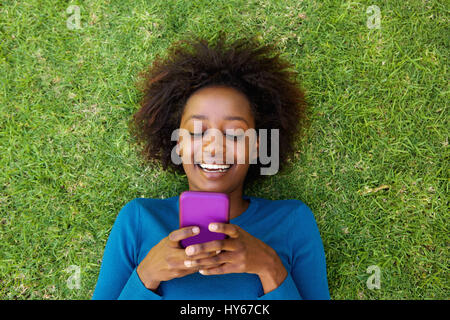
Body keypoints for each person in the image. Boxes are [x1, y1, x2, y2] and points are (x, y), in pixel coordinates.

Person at [92, 33, 330, 300]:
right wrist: (146, 275)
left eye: (235, 133)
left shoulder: (293, 221)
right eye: (196, 131)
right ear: (177, 143)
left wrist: (268, 266)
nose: (214, 147)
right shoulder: (137, 219)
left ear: (257, 147)